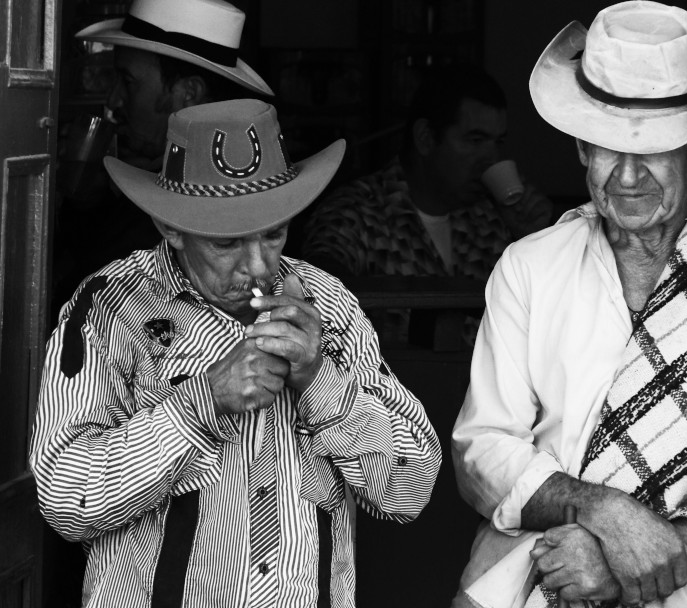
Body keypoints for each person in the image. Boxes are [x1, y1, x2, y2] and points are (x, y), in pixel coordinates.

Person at [451, 3, 687, 608]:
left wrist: (630, 557)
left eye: (655, 149)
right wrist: (603, 509)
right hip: (536, 582)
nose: (627, 175)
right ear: (581, 150)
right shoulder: (531, 267)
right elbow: (482, 448)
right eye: (607, 147)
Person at [31, 99, 442, 606]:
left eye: (273, 233)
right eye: (227, 243)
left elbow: (410, 491)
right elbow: (65, 499)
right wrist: (203, 402)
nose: (257, 265)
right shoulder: (111, 308)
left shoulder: (329, 306)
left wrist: (319, 380)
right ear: (170, 227)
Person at [53, 0, 274, 322]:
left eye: (128, 82)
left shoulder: (217, 197)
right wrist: (86, 204)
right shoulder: (160, 173)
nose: (114, 101)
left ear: (187, 93)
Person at [301, 63, 554, 281]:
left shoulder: (490, 220)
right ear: (425, 138)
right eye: (475, 140)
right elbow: (319, 288)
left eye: (497, 143)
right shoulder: (356, 214)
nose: (491, 160)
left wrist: (531, 240)